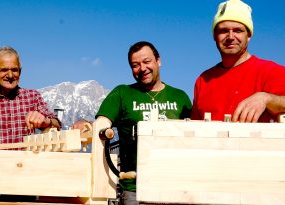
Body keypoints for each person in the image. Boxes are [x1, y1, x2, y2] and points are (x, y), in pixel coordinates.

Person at [95, 41, 192, 205]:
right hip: (134, 189)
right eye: (135, 65)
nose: (142, 69)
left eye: (147, 62)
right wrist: (86, 125)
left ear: (158, 61)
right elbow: (101, 124)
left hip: (175, 187)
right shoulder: (122, 93)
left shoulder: (180, 97)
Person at [191, 0, 285, 122]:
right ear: (214, 36)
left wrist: (267, 99)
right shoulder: (203, 81)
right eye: (223, 31)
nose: (230, 37)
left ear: (249, 35)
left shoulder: (271, 71)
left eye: (238, 30)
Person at [0, 46, 61, 144]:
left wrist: (46, 122)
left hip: (23, 160)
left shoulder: (32, 98)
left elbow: (57, 124)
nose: (10, 75)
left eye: (14, 70)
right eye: (4, 70)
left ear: (20, 71)